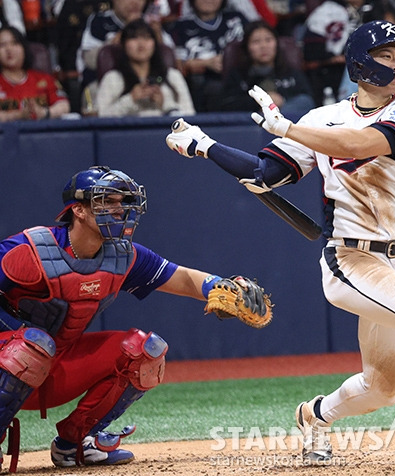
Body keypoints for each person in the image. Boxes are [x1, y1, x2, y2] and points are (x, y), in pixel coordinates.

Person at [166, 19, 395, 467]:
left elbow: (358, 142)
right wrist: (203, 144)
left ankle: (314, 416)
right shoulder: (320, 119)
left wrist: (289, 129)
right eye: (386, 56)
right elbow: (263, 175)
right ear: (359, 63)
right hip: (349, 260)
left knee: (383, 389)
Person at [0, 165, 269, 469]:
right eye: (107, 202)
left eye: (122, 201)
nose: (119, 210)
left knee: (145, 351)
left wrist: (222, 286)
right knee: (33, 345)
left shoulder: (122, 255)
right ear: (78, 210)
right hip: (10, 360)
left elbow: (183, 278)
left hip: (55, 368)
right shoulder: (29, 251)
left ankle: (75, 444)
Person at [96, 19, 194, 117]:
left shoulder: (173, 76)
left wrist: (165, 104)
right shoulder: (112, 78)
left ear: (154, 44)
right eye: (134, 38)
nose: (141, 44)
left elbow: (190, 115)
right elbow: (101, 116)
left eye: (146, 38)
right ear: (123, 44)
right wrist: (131, 99)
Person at [165, 0, 247, 112]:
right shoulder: (180, 27)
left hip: (243, 79)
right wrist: (205, 63)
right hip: (202, 85)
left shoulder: (237, 19)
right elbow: (178, 66)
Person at [216, 20, 314, 113]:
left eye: (268, 40)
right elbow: (226, 105)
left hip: (289, 123)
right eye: (256, 42)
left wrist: (281, 101)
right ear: (247, 47)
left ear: (276, 44)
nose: (263, 46)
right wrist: (260, 103)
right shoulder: (237, 75)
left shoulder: (292, 73)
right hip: (250, 126)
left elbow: (308, 101)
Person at [301, 0, 369, 106]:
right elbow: (311, 53)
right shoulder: (325, 12)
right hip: (332, 70)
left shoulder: (375, 7)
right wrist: (337, 58)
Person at [0, 26, 70, 121]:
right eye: (2, 45)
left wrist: (44, 113)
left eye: (15, 43)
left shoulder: (44, 79)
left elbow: (64, 105)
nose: (9, 49)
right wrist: (17, 115)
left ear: (24, 48)